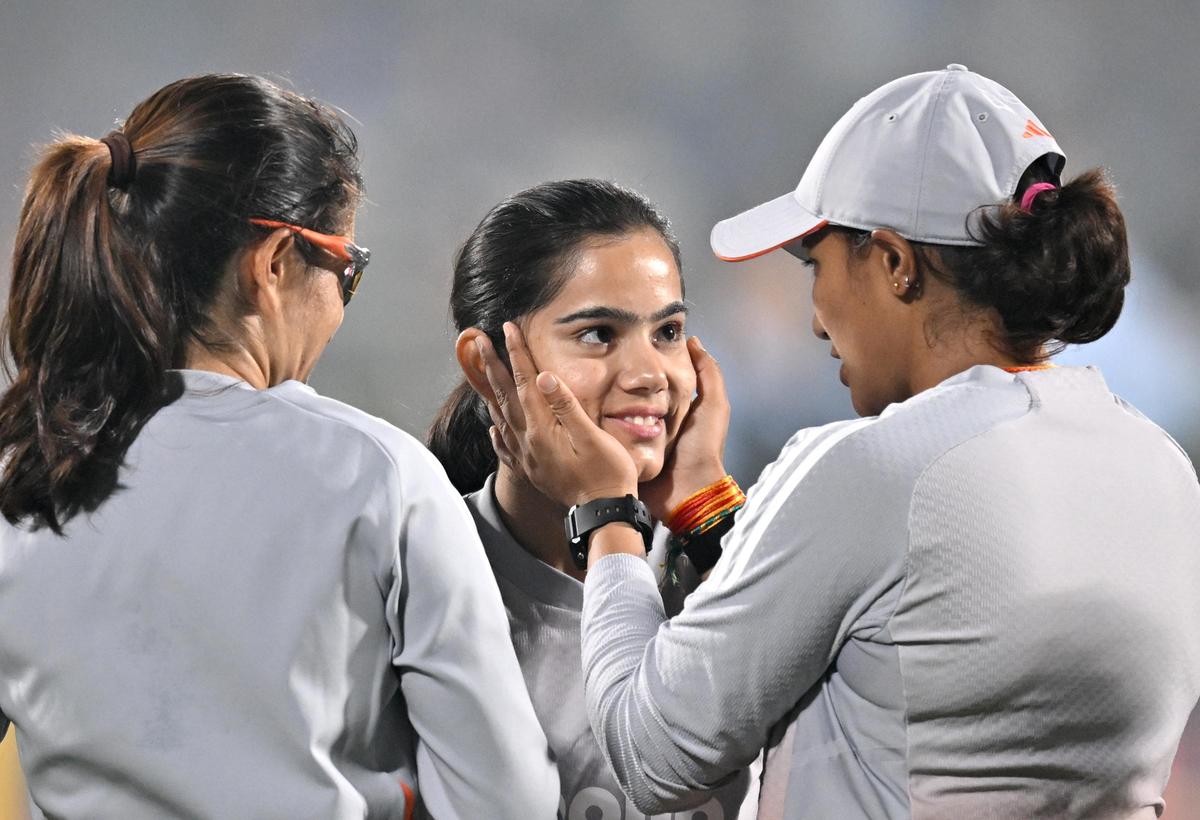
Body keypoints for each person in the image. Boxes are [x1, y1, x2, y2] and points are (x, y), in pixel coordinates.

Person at [479, 66, 1200, 818]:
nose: (816, 320)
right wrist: (702, 506)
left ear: (893, 264)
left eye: (816, 264)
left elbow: (651, 755)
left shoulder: (869, 469)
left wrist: (606, 509)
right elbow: (871, 629)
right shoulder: (1164, 471)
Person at [0, 74, 558, 820]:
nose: (340, 304)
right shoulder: (378, 478)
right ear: (273, 264)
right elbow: (507, 803)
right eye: (347, 269)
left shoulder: (25, 478)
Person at [427, 179, 753, 818]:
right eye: (599, 334)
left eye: (668, 331)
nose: (650, 375)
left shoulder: (719, 561)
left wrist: (708, 514)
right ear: (487, 365)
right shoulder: (420, 578)